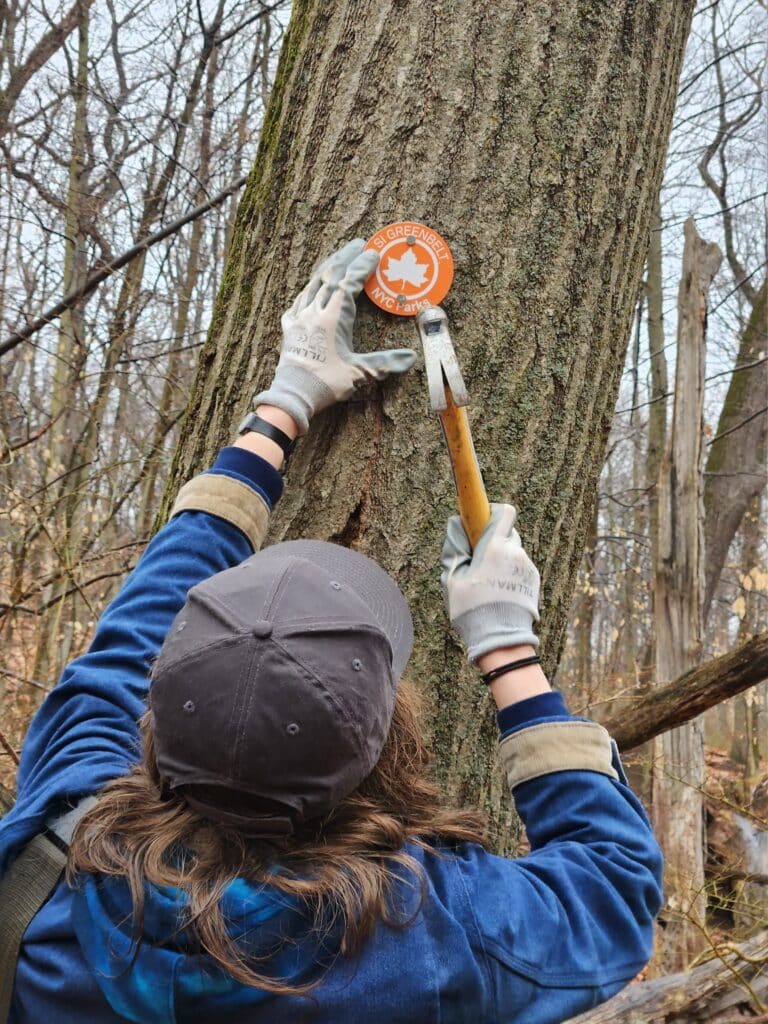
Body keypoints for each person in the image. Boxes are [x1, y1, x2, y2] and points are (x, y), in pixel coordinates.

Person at [0, 240, 663, 1023]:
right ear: (380, 756)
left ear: (156, 712)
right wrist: (507, 647)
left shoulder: (55, 849)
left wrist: (283, 402)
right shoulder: (430, 940)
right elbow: (615, 890)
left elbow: (137, 624)